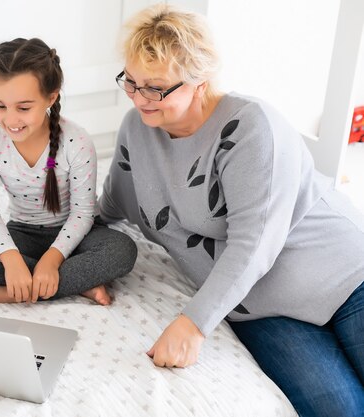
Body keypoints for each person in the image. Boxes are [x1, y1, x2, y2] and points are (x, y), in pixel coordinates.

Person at [98, 4, 364, 416]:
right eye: (130, 82)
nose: (139, 98)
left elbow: (254, 244)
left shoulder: (250, 127)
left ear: (200, 81)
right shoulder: (138, 128)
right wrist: (53, 248)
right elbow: (113, 203)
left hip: (346, 280)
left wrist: (193, 323)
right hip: (260, 310)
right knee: (338, 409)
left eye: (155, 87)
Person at [0, 38, 137, 306]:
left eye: (23, 108)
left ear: (51, 97)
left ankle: (8, 293)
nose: (10, 120)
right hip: (22, 234)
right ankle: (72, 283)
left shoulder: (76, 142)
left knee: (121, 251)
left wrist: (53, 260)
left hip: (77, 235)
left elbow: (82, 214)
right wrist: (11, 260)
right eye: (0, 106)